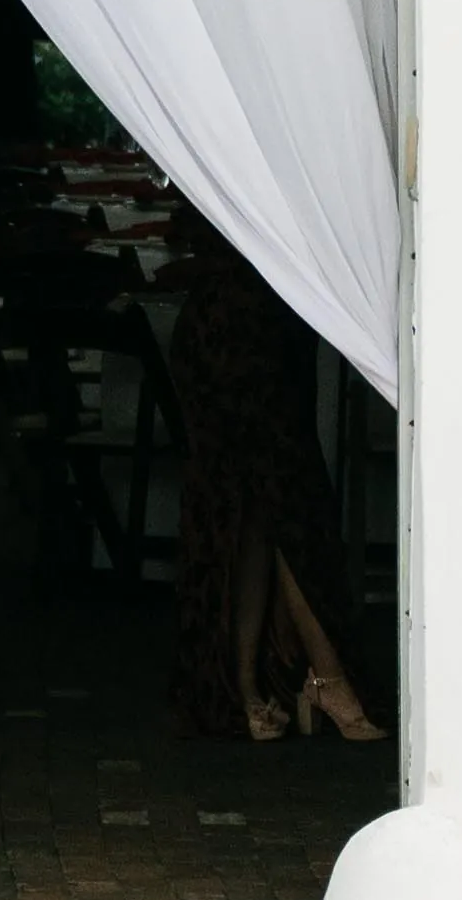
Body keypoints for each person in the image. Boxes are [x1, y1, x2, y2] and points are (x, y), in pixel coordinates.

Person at [163, 226, 384, 747]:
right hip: (241, 326)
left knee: (263, 509)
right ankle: (318, 678)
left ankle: (260, 684)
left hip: (266, 321)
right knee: (276, 498)